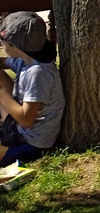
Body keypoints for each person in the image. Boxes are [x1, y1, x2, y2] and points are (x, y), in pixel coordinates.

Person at [1, 11, 65, 166]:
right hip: (18, 128)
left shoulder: (38, 73)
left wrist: (2, 92)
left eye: (4, 43)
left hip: (31, 141)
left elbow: (27, 120)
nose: (2, 46)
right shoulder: (28, 58)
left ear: (16, 47)